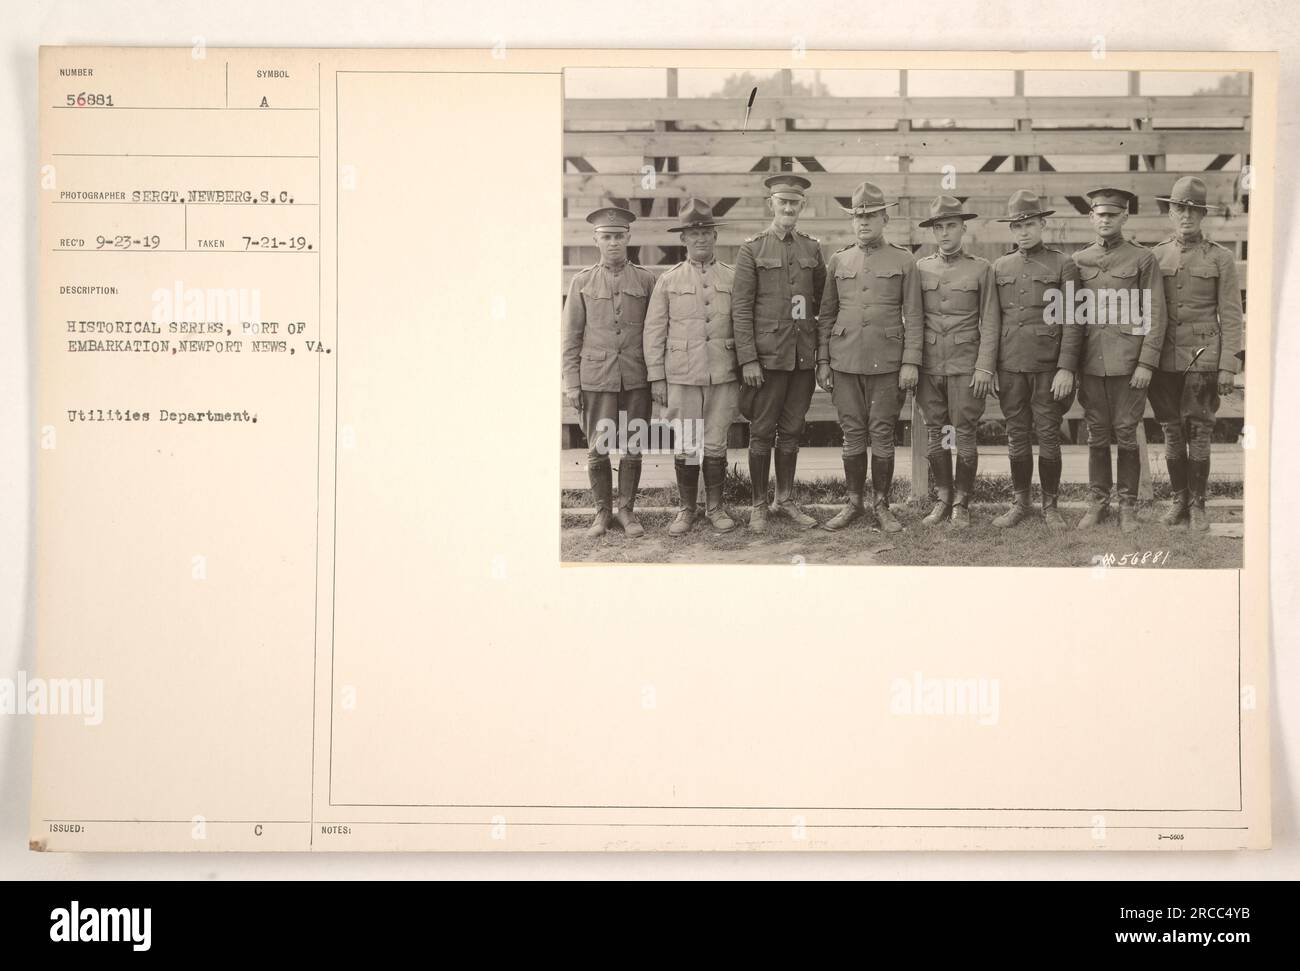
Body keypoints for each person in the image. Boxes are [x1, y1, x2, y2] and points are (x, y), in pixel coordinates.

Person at [817, 181, 922, 532]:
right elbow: (826, 315)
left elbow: (915, 315)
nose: (863, 222)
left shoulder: (904, 260)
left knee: (882, 433)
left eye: (871, 216)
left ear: (885, 218)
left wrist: (910, 361)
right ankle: (853, 503)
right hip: (845, 361)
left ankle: (882, 505)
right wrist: (823, 361)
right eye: (858, 217)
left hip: (887, 362)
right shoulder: (838, 260)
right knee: (852, 434)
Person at [731, 174, 827, 533]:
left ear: (802, 206)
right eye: (782, 202)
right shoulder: (752, 249)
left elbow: (820, 300)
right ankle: (758, 504)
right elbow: (741, 309)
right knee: (762, 430)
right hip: (767, 360)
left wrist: (816, 351)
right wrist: (749, 360)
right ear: (769, 204)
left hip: (801, 358)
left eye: (795, 203)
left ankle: (784, 499)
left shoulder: (811, 249)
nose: (788, 208)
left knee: (791, 430)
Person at [1149, 176, 1243, 531]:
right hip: (1163, 359)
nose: (1186, 215)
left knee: (1199, 432)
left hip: (1203, 357)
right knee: (1172, 432)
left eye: (1193, 209)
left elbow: (1231, 314)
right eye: (1179, 208)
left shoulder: (1220, 258)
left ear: (1202, 214)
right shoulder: (1155, 256)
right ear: (1170, 212)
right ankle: (1179, 503)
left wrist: (1228, 366)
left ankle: (1199, 506)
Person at [1072, 187, 1168, 533]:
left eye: (1113, 215)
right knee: (1097, 434)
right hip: (1091, 363)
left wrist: (1146, 363)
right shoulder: (1079, 260)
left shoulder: (1142, 259)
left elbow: (1155, 314)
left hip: (1130, 364)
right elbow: (1072, 316)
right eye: (1100, 214)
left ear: (1125, 217)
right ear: (1091, 217)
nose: (1105, 220)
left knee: (1127, 434)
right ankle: (1098, 503)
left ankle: (1127, 505)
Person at [643, 199, 741, 534]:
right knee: (686, 442)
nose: (700, 238)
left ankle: (715, 508)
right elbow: (654, 332)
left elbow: (741, 326)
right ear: (683, 239)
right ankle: (686, 509)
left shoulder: (732, 276)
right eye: (693, 233)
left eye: (706, 232)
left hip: (723, 373)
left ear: (715, 236)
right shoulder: (668, 281)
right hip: (682, 377)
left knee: (715, 443)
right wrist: (656, 377)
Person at [561, 207, 658, 538]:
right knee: (598, 445)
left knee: (633, 443)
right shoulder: (582, 282)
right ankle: (601, 513)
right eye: (607, 237)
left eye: (619, 236)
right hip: (596, 377)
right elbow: (570, 337)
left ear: (629, 238)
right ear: (596, 240)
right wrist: (572, 383)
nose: (613, 242)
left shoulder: (646, 280)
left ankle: (627, 511)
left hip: (636, 375)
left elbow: (656, 330)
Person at [990, 190, 1083, 528]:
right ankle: (1020, 503)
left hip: (1048, 368)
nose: (1024, 231)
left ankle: (1050, 505)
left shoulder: (1063, 264)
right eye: (1017, 225)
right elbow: (993, 320)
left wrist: (1066, 368)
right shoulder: (1000, 266)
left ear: (1043, 224)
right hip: (1011, 366)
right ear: (1011, 230)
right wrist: (994, 367)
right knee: (1016, 435)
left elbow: (1074, 319)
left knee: (1048, 434)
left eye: (1030, 223)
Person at [914, 196, 1000, 528]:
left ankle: (962, 502)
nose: (945, 232)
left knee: (964, 432)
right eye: (939, 227)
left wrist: (984, 366)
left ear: (963, 228)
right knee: (937, 431)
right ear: (933, 232)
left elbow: (990, 322)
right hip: (930, 365)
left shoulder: (981, 268)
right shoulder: (920, 267)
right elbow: (914, 317)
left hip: (966, 365)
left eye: (951, 225)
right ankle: (942, 499)